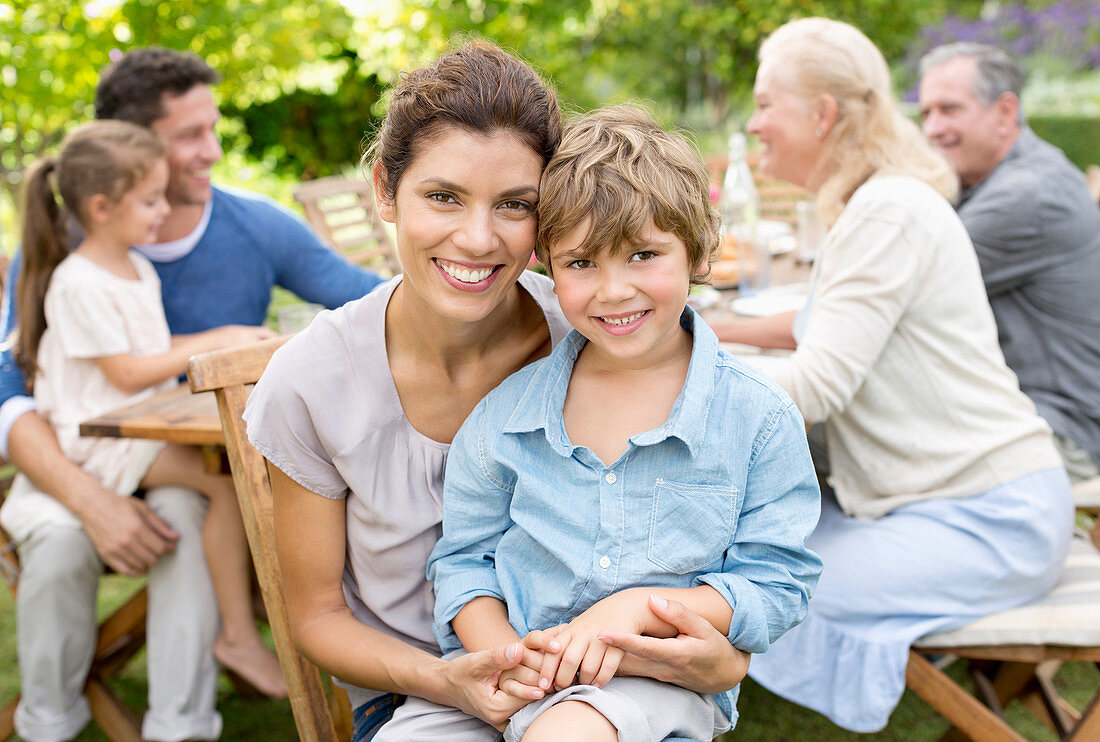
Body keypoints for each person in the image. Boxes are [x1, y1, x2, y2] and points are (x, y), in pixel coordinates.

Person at [243, 42, 753, 742]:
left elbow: (707, 529)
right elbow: (316, 619)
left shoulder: (596, 335)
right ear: (385, 190)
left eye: (515, 205)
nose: (477, 239)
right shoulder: (312, 383)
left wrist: (720, 661)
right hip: (415, 691)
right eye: (443, 196)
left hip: (600, 682)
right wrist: (447, 679)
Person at [370, 105, 821, 742]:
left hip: (649, 682)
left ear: (697, 251)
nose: (613, 290)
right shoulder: (507, 418)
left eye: (643, 255)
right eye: (582, 264)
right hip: (508, 672)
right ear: (546, 267)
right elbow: (465, 560)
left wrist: (639, 608)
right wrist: (505, 658)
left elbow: (776, 582)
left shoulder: (757, 419)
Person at [0, 48, 383, 742]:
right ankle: (46, 723)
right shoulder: (63, 248)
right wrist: (90, 501)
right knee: (58, 545)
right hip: (70, 458)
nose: (212, 151)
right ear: (135, 146)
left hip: (179, 463)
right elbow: (9, 391)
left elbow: (369, 297)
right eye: (189, 136)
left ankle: (181, 725)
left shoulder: (252, 225)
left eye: (213, 128)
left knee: (195, 508)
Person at [706, 18, 1074, 733]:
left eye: (764, 103)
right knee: (736, 549)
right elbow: (822, 332)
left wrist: (666, 386)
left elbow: (815, 387)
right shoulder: (877, 205)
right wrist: (703, 339)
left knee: (756, 583)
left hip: (990, 519)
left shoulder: (889, 212)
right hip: (937, 505)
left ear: (823, 114)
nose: (753, 124)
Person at [2, 120, 287, 721]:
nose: (165, 211)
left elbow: (148, 352)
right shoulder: (77, 282)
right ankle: (239, 632)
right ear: (102, 208)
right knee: (227, 479)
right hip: (94, 443)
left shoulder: (135, 268)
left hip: (132, 434)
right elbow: (129, 374)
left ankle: (226, 646)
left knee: (227, 479)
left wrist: (228, 341)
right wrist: (220, 339)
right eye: (151, 199)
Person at [918, 42, 1100, 483]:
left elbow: (891, 289)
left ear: (1004, 112)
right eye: (925, 113)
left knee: (842, 438)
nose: (932, 129)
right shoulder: (995, 179)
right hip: (1020, 407)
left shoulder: (1025, 195)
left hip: (1056, 430)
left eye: (949, 110)